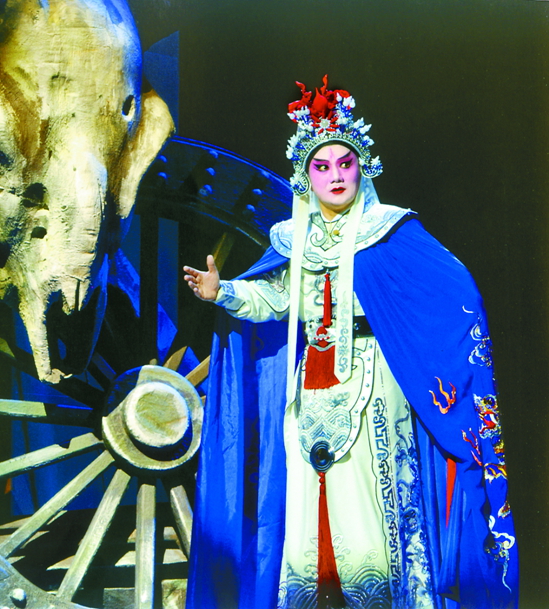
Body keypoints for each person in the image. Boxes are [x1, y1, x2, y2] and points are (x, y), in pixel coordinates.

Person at [184, 76, 518, 609]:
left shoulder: (389, 231)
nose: (336, 175)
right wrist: (221, 291)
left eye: (345, 163)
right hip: (310, 390)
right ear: (306, 176)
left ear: (363, 168)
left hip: (373, 383)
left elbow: (455, 291)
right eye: (322, 166)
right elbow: (274, 299)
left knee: (368, 501)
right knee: (311, 500)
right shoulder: (294, 239)